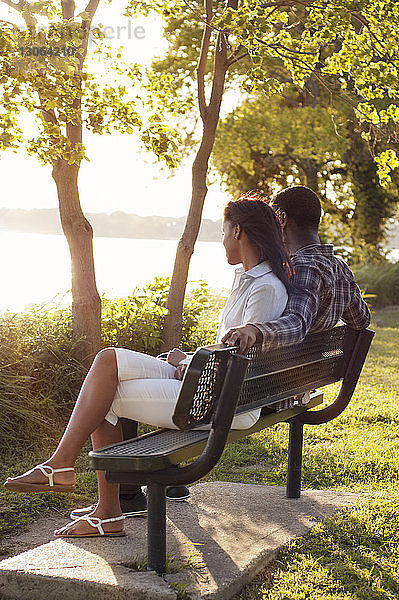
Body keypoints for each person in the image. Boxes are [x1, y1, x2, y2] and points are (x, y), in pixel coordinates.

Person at [4, 195, 292, 538]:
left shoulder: (263, 288)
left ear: (239, 231)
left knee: (106, 395)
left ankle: (98, 502)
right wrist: (186, 361)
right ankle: (67, 471)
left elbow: (238, 364)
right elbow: (231, 354)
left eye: (224, 231)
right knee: (107, 361)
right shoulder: (250, 280)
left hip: (221, 401)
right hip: (211, 384)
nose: (222, 240)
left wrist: (189, 364)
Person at [222, 186, 371, 354]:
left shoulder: (303, 267)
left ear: (283, 219)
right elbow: (361, 320)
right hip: (313, 372)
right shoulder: (340, 268)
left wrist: (255, 330)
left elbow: (297, 322)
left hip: (287, 373)